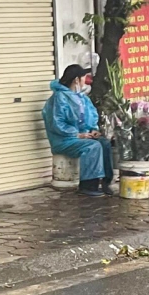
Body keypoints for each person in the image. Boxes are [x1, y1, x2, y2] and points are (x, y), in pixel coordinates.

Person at [43, 64, 114, 197]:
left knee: (104, 143)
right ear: (76, 79)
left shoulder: (81, 97)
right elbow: (57, 124)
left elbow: (91, 117)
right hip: (64, 140)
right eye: (83, 78)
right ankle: (88, 185)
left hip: (81, 136)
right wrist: (77, 134)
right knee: (93, 146)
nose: (85, 81)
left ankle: (105, 182)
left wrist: (93, 130)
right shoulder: (59, 98)